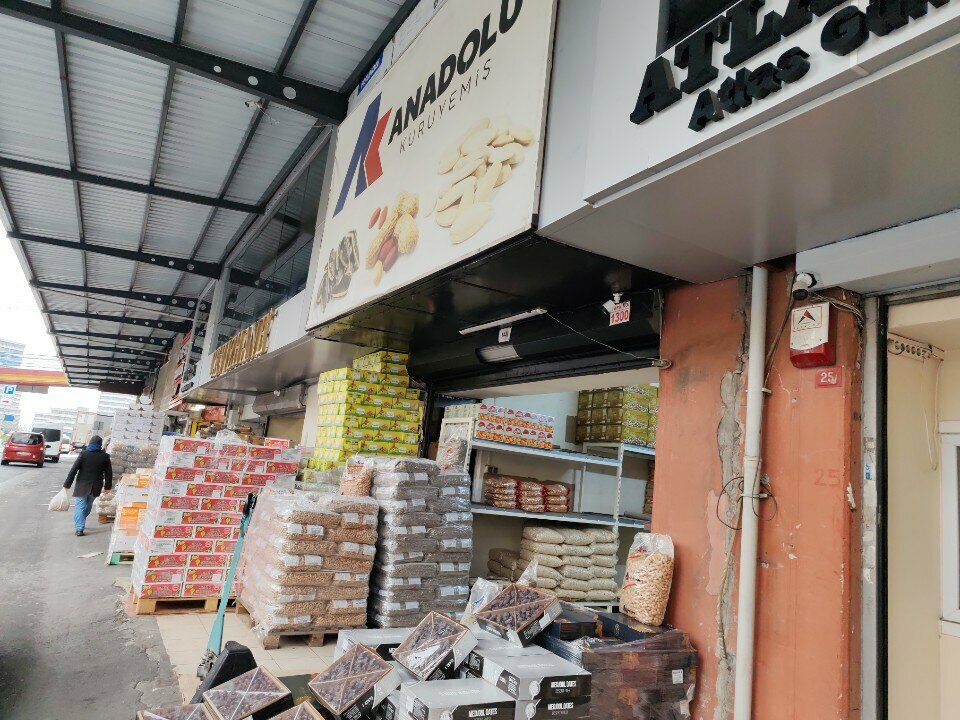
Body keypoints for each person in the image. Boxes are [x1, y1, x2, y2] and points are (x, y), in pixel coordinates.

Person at [63, 434, 113, 536]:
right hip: (96, 486)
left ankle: (79, 528)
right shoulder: (105, 457)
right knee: (88, 506)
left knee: (80, 507)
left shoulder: (84, 454)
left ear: (90, 443)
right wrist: (107, 487)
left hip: (82, 485)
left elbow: (73, 470)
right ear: (100, 445)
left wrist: (67, 485)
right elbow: (109, 473)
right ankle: (80, 526)